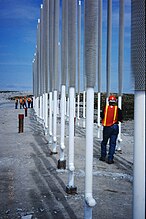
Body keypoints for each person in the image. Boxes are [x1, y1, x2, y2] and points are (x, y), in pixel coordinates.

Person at [99, 95, 123, 164]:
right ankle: (110, 159)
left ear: (109, 101)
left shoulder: (105, 108)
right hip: (115, 127)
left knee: (104, 142)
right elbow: (121, 119)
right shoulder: (117, 109)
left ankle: (103, 157)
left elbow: (102, 116)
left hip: (107, 127)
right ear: (115, 101)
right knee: (112, 143)